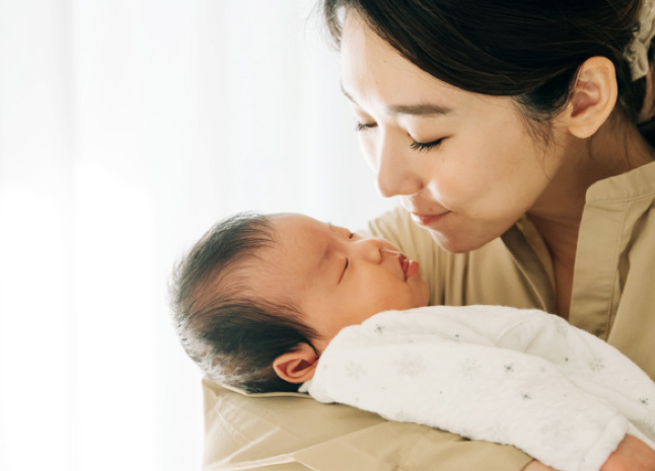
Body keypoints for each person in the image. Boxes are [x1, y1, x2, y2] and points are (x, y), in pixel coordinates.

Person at [199, 1, 655, 470]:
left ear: (583, 98)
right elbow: (244, 422)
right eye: (366, 122)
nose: (387, 182)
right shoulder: (405, 254)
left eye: (426, 135)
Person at [170, 211, 655, 471]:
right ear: (300, 365)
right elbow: (504, 390)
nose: (372, 247)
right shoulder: (363, 356)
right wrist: (603, 449)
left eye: (348, 234)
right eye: (342, 267)